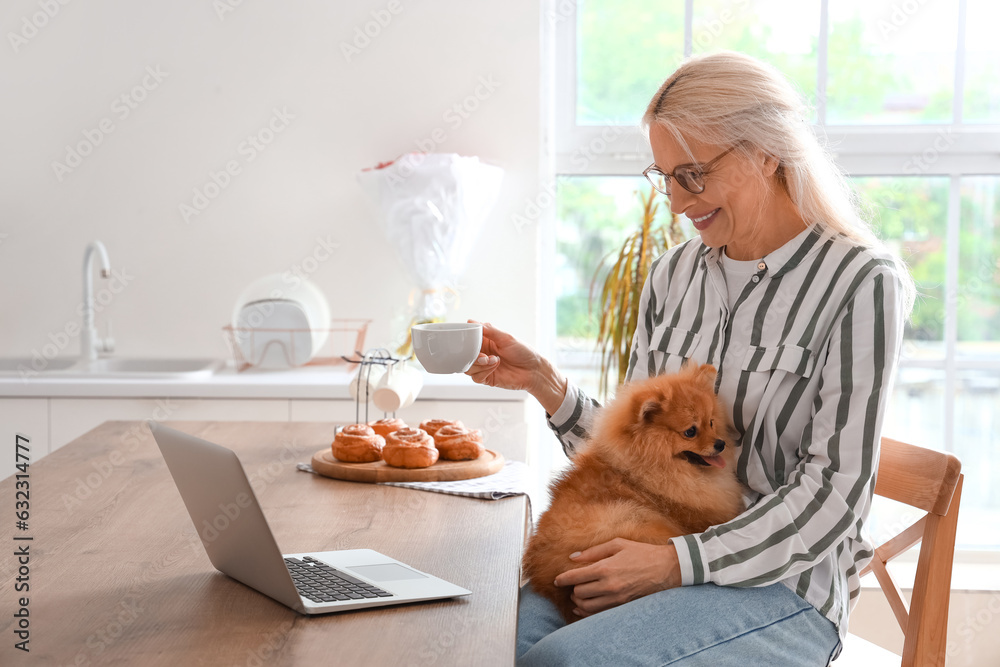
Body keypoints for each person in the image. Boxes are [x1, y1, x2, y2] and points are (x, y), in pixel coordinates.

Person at [466, 51, 914, 666]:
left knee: (563, 662)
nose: (677, 202)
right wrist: (545, 385)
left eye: (693, 175)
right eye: (666, 176)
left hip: (781, 592)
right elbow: (638, 458)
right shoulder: (673, 276)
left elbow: (834, 496)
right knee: (492, 641)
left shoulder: (860, 282)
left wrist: (677, 562)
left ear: (766, 151)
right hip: (654, 551)